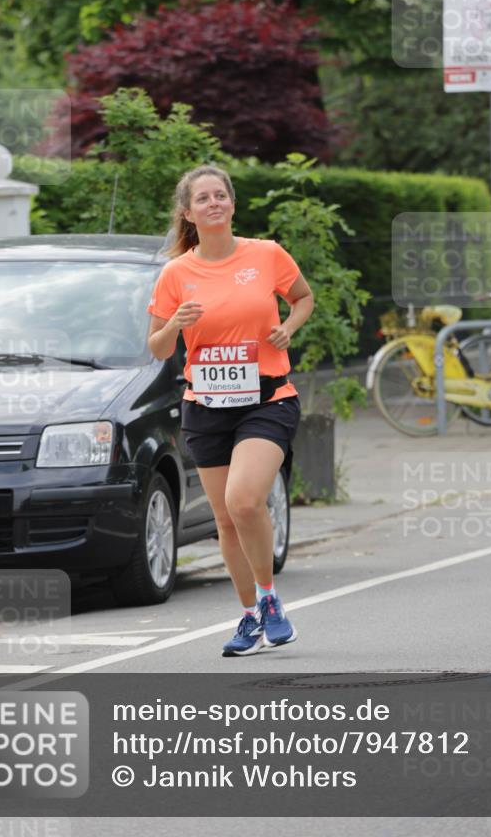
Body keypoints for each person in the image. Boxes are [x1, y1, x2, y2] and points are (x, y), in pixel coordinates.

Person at [147, 164, 314, 653]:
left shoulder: (266, 255)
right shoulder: (175, 273)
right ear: (188, 212)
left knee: (245, 500)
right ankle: (249, 617)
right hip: (207, 405)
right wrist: (174, 323)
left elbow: (302, 298)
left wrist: (289, 327)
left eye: (221, 195)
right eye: (203, 198)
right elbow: (158, 348)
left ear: (233, 205)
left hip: (267, 398)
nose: (214, 203)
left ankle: (269, 600)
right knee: (224, 518)